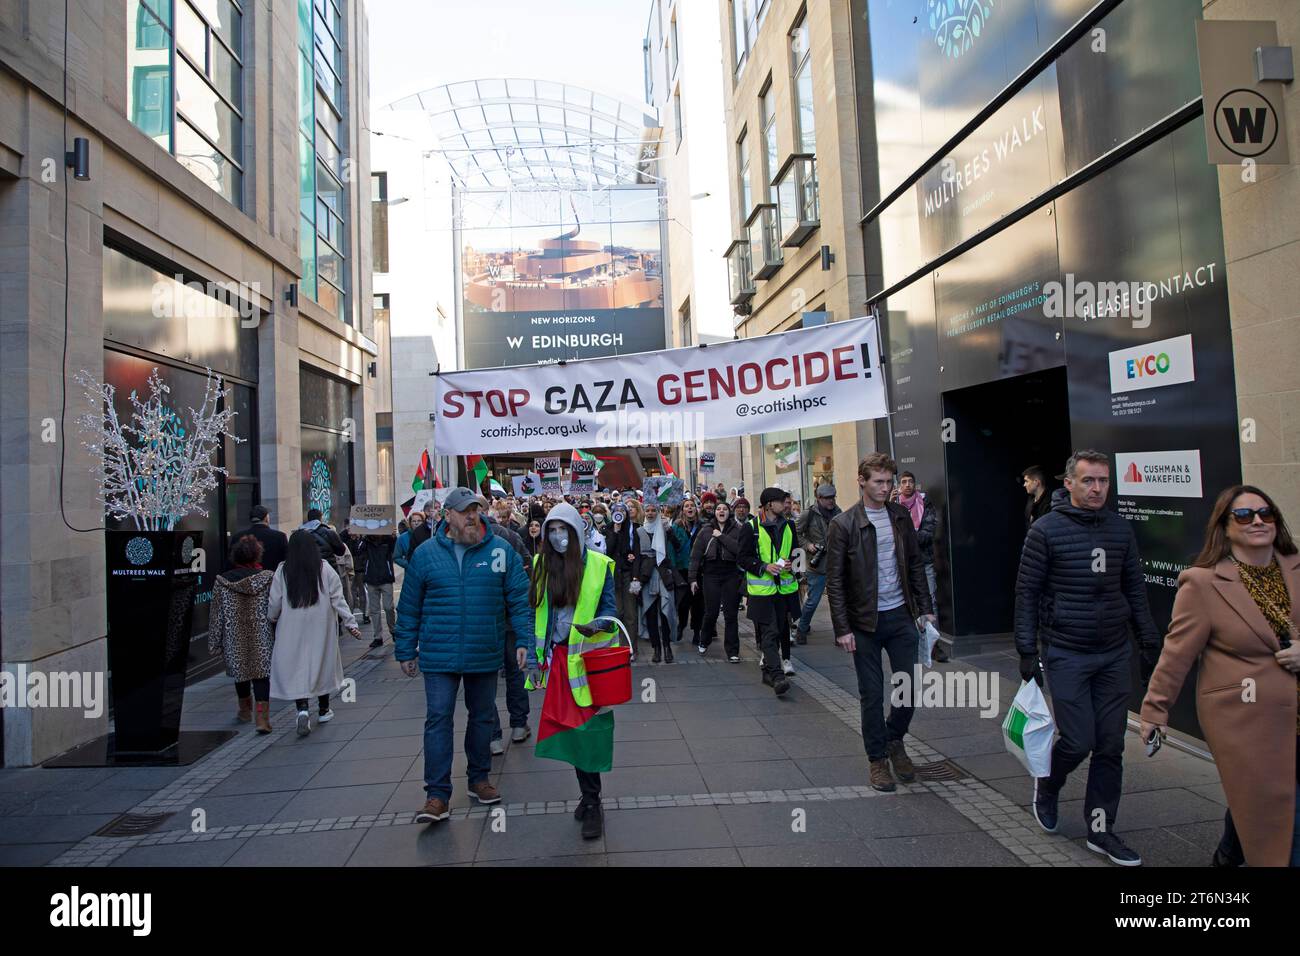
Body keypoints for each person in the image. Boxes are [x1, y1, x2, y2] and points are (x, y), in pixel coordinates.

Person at [1140, 485, 1300, 867]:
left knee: (1260, 806)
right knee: (1281, 816)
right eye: (1244, 516)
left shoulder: (1296, 567)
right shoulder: (1204, 582)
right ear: (1225, 527)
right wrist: (1154, 710)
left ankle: (1228, 856)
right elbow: (1177, 653)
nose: (1258, 521)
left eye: (1266, 513)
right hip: (1244, 716)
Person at [1015, 449, 1161, 866]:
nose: (1097, 488)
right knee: (1079, 739)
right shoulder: (1045, 531)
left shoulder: (1119, 529)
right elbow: (1026, 593)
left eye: (1103, 481)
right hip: (1066, 650)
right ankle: (1048, 782)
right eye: (1089, 481)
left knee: (1111, 745)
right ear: (1070, 484)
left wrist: (1148, 641)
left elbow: (1134, 587)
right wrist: (1027, 650)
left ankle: (1101, 829)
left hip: (1114, 652)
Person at [395, 488, 533, 824]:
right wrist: (404, 648)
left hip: (483, 649)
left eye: (476, 509)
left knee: (482, 716)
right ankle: (437, 795)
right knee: (438, 718)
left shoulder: (500, 550)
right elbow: (410, 606)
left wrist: (525, 640)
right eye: (464, 511)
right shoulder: (426, 554)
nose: (471, 516)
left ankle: (478, 779)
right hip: (438, 653)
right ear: (447, 516)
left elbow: (518, 597)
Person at [825, 453, 936, 792]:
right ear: (861, 481)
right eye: (878, 482)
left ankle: (895, 739)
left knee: (908, 689)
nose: (885, 488)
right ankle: (877, 760)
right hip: (864, 623)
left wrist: (925, 608)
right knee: (871, 694)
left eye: (889, 482)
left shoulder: (900, 516)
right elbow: (836, 581)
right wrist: (842, 628)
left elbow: (915, 565)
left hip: (901, 616)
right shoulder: (843, 525)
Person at [524, 503, 620, 840]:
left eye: (563, 529)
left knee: (588, 732)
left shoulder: (597, 565)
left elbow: (609, 608)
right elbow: (532, 613)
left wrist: (598, 625)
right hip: (558, 664)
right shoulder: (540, 565)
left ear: (577, 531)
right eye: (552, 530)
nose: (557, 535)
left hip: (588, 662)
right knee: (572, 733)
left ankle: (593, 802)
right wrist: (534, 661)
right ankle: (588, 795)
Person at [269, 529, 363, 737]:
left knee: (297, 666)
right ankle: (323, 709)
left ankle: (302, 708)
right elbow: (338, 598)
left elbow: (275, 602)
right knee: (321, 663)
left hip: (291, 626)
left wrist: (272, 617)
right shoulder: (324, 568)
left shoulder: (283, 570)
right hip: (321, 625)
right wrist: (350, 621)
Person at [208, 534, 275, 734]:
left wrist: (214, 642)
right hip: (261, 635)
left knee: (241, 673)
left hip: (234, 635)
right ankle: (262, 720)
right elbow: (275, 607)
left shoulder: (222, 582)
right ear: (257, 555)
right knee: (262, 676)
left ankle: (244, 710)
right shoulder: (268, 579)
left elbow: (216, 614)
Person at [738, 487, 800, 695]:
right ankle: (777, 675)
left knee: (781, 629)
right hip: (762, 592)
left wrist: (794, 565)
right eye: (782, 501)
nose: (786, 505)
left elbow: (796, 553)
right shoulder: (751, 527)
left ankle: (768, 671)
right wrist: (764, 566)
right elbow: (743, 558)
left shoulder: (789, 525)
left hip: (784, 589)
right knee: (770, 631)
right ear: (769, 505)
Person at [484, 509, 533, 756]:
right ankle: (518, 724)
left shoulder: (467, 540)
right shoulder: (510, 536)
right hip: (509, 618)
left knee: (486, 677)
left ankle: (493, 735)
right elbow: (527, 566)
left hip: (484, 620)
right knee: (515, 671)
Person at [897, 472, 947, 662]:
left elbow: (928, 532)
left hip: (923, 560)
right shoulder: (894, 506)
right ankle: (912, 643)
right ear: (899, 485)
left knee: (930, 602)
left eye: (910, 482)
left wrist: (906, 537)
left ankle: (934, 645)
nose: (907, 485)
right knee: (905, 604)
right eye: (904, 482)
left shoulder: (924, 503)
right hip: (901, 564)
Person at [691, 499, 743, 660]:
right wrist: (692, 578)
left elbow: (739, 550)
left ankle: (733, 651)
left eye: (725, 509)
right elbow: (695, 556)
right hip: (710, 575)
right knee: (711, 612)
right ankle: (704, 640)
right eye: (718, 509)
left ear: (729, 512)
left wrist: (721, 536)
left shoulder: (737, 529)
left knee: (731, 614)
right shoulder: (706, 530)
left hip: (731, 575)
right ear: (715, 513)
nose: (721, 511)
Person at [795, 483, 841, 646]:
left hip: (836, 564)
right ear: (819, 498)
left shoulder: (838, 512)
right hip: (817, 564)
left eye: (833, 497)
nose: (831, 501)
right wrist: (808, 545)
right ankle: (801, 629)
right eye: (827, 498)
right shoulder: (809, 514)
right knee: (813, 600)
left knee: (837, 601)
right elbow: (796, 533)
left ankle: (840, 634)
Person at [637, 500, 679, 662]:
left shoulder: (665, 529)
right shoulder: (639, 531)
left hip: (663, 574)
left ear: (658, 512)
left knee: (666, 611)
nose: (650, 513)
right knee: (650, 613)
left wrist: (670, 531)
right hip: (646, 576)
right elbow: (636, 555)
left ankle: (667, 647)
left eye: (653, 510)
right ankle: (656, 648)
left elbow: (677, 546)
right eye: (647, 510)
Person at [611, 499, 644, 659]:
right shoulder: (609, 529)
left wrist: (636, 579)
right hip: (613, 577)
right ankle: (619, 646)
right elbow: (608, 550)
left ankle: (631, 648)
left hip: (629, 576)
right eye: (617, 511)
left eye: (623, 511)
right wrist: (615, 531)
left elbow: (635, 555)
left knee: (631, 614)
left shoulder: (634, 530)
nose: (621, 514)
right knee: (618, 612)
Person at [669, 504, 701, 645]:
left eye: (692, 506)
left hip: (698, 569)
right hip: (682, 569)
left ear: (696, 510)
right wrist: (674, 569)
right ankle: (681, 625)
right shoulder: (676, 527)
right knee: (683, 602)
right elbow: (672, 549)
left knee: (698, 603)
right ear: (682, 511)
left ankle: (697, 631)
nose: (690, 508)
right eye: (687, 506)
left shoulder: (701, 526)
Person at [359, 530, 396, 649]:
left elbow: (395, 550)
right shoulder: (366, 541)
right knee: (374, 610)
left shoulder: (388, 540)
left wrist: (393, 537)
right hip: (371, 578)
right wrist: (362, 537)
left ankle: (393, 629)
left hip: (386, 578)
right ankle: (377, 636)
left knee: (388, 607)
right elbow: (358, 551)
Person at [233, 504, 287, 573]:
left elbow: (231, 564)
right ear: (266, 519)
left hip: (245, 581)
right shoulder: (280, 537)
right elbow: (286, 562)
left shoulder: (238, 537)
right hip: (273, 581)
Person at [301, 508, 345, 572]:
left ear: (308, 519)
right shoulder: (329, 532)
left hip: (308, 571)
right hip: (328, 570)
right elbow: (341, 551)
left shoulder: (299, 534)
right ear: (321, 518)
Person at [1022, 465, 1052, 530]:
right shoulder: (1030, 500)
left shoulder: (1051, 503)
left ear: (1036, 482)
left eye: (1026, 481)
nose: (1024, 485)